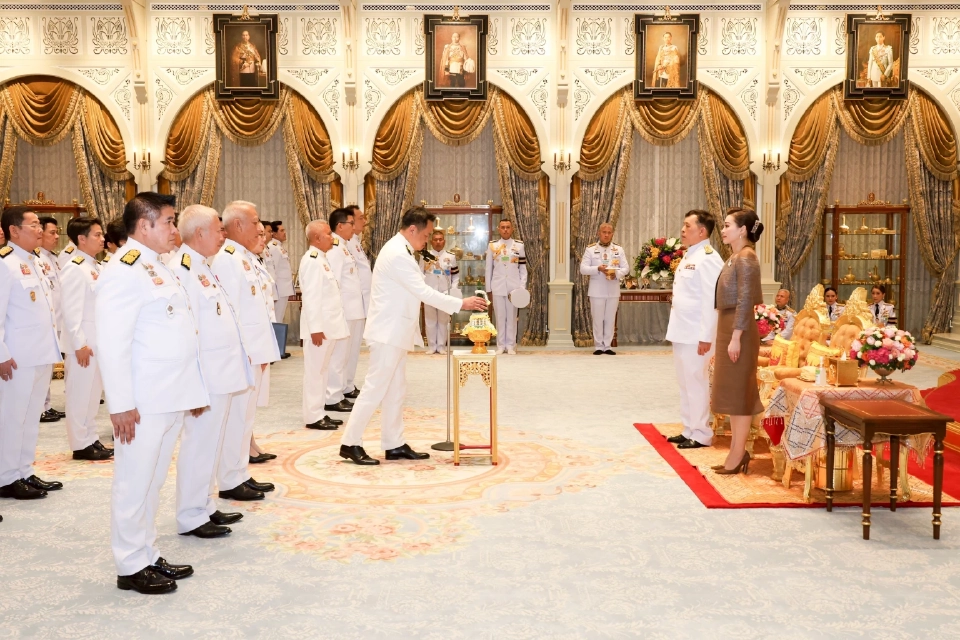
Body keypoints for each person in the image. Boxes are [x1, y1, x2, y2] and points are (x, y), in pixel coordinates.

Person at [95, 192, 206, 594]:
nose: (175, 230)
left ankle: (145, 551)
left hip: (169, 395)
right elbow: (112, 342)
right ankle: (129, 564)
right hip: (142, 402)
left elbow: (177, 332)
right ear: (145, 226)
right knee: (133, 481)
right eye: (170, 222)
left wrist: (191, 390)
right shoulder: (123, 271)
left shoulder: (157, 266)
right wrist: (121, 405)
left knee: (153, 480)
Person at [339, 207, 488, 465]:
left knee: (396, 389)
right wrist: (461, 304)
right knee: (375, 388)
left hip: (396, 330)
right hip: (388, 332)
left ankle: (393, 443)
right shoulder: (397, 253)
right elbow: (423, 292)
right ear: (412, 230)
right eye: (426, 234)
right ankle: (350, 442)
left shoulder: (405, 250)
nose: (428, 240)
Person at [170, 205, 250, 539]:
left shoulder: (203, 265)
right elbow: (188, 332)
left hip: (222, 372)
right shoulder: (183, 269)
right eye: (219, 229)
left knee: (212, 442)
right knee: (198, 444)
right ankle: (190, 514)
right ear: (200, 233)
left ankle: (204, 504)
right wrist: (194, 382)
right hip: (207, 375)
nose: (224, 234)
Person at [209, 201, 280, 497]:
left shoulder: (246, 257)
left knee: (245, 418)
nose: (260, 228)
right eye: (255, 222)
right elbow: (230, 312)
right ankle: (228, 480)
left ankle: (239, 472)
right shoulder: (227, 259)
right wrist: (244, 351)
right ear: (237, 225)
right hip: (242, 353)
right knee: (235, 417)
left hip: (255, 351)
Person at [0, 206, 63, 501]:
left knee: (30, 417)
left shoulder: (35, 261)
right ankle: (5, 477)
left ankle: (23, 470)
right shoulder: (5, 263)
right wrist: (1, 354)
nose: (40, 230)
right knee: (12, 417)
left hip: (39, 353)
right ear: (14, 231)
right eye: (34, 225)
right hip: (17, 357)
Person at [711, 207, 765, 475]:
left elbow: (745, 301)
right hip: (729, 327)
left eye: (727, 225)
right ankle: (736, 451)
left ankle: (738, 454)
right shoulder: (735, 256)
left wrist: (735, 337)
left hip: (738, 331)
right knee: (732, 393)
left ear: (743, 230)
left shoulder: (746, 258)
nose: (723, 229)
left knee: (740, 395)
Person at [665, 210, 724, 450]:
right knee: (685, 381)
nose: (682, 230)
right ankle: (689, 427)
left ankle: (701, 434)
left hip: (696, 335)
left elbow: (712, 301)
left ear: (702, 231)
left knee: (696, 382)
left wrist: (706, 336)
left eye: (687, 225)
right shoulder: (691, 256)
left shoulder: (709, 258)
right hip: (682, 330)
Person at [59, 217, 113, 461]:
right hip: (83, 344)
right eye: (97, 234)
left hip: (97, 342)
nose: (102, 239)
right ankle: (80, 444)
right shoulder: (74, 267)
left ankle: (91, 439)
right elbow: (71, 311)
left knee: (92, 396)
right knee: (80, 395)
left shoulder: (95, 266)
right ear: (81, 239)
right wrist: (79, 343)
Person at [300, 220, 349, 431]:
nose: (332, 237)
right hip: (319, 330)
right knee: (315, 372)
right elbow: (311, 298)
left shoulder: (322, 259)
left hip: (328, 326)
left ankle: (319, 412)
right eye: (329, 234)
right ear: (317, 238)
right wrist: (315, 329)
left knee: (323, 370)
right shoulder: (311, 260)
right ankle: (312, 416)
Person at [324, 208, 366, 415]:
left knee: (348, 353)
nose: (354, 227)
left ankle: (343, 388)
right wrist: (337, 311)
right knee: (339, 355)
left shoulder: (345, 246)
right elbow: (335, 282)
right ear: (340, 226)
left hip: (354, 308)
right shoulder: (334, 248)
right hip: (345, 310)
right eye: (351, 223)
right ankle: (332, 396)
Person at [579, 223, 629, 355]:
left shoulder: (618, 250)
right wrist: (597, 269)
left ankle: (607, 346)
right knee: (598, 318)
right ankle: (598, 346)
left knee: (610, 318)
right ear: (598, 233)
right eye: (604, 232)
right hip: (597, 290)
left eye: (609, 232)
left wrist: (616, 274)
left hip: (613, 289)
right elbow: (583, 269)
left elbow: (626, 268)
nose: (606, 235)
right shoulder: (590, 249)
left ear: (612, 234)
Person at [35, 216, 65, 424]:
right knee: (42, 367)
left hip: (56, 320)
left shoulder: (52, 258)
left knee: (47, 367)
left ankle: (45, 405)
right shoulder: (36, 259)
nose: (56, 237)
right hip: (43, 323)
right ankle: (41, 407)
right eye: (51, 232)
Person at [485, 219, 527, 354]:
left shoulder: (519, 246)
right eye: (502, 227)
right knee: (500, 316)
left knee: (512, 317)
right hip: (497, 286)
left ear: (512, 228)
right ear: (498, 229)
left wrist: (522, 287)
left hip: (513, 287)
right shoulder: (493, 246)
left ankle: (510, 345)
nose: (505, 230)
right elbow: (488, 269)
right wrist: (488, 289)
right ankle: (500, 345)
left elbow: (523, 269)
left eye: (508, 227)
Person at [343, 205, 371, 399]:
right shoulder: (344, 244)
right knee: (346, 349)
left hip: (360, 303)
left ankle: (348, 384)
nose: (364, 221)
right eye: (360, 218)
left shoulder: (355, 242)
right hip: (350, 304)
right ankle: (343, 386)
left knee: (353, 349)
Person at [420, 229, 460, 354]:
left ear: (444, 241)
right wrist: (422, 291)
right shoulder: (424, 255)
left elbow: (455, 276)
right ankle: (432, 346)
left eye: (440, 240)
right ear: (431, 241)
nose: (438, 242)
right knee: (430, 319)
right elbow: (420, 274)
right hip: (429, 291)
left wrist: (453, 290)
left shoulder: (450, 256)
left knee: (443, 319)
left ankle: (441, 346)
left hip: (444, 292)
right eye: (435, 240)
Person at [267, 221, 295, 327]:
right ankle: (277, 343)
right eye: (281, 230)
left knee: (279, 318)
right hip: (279, 290)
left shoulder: (279, 247)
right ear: (274, 233)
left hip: (283, 289)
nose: (284, 233)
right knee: (276, 320)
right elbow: (273, 271)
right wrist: (274, 292)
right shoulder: (273, 247)